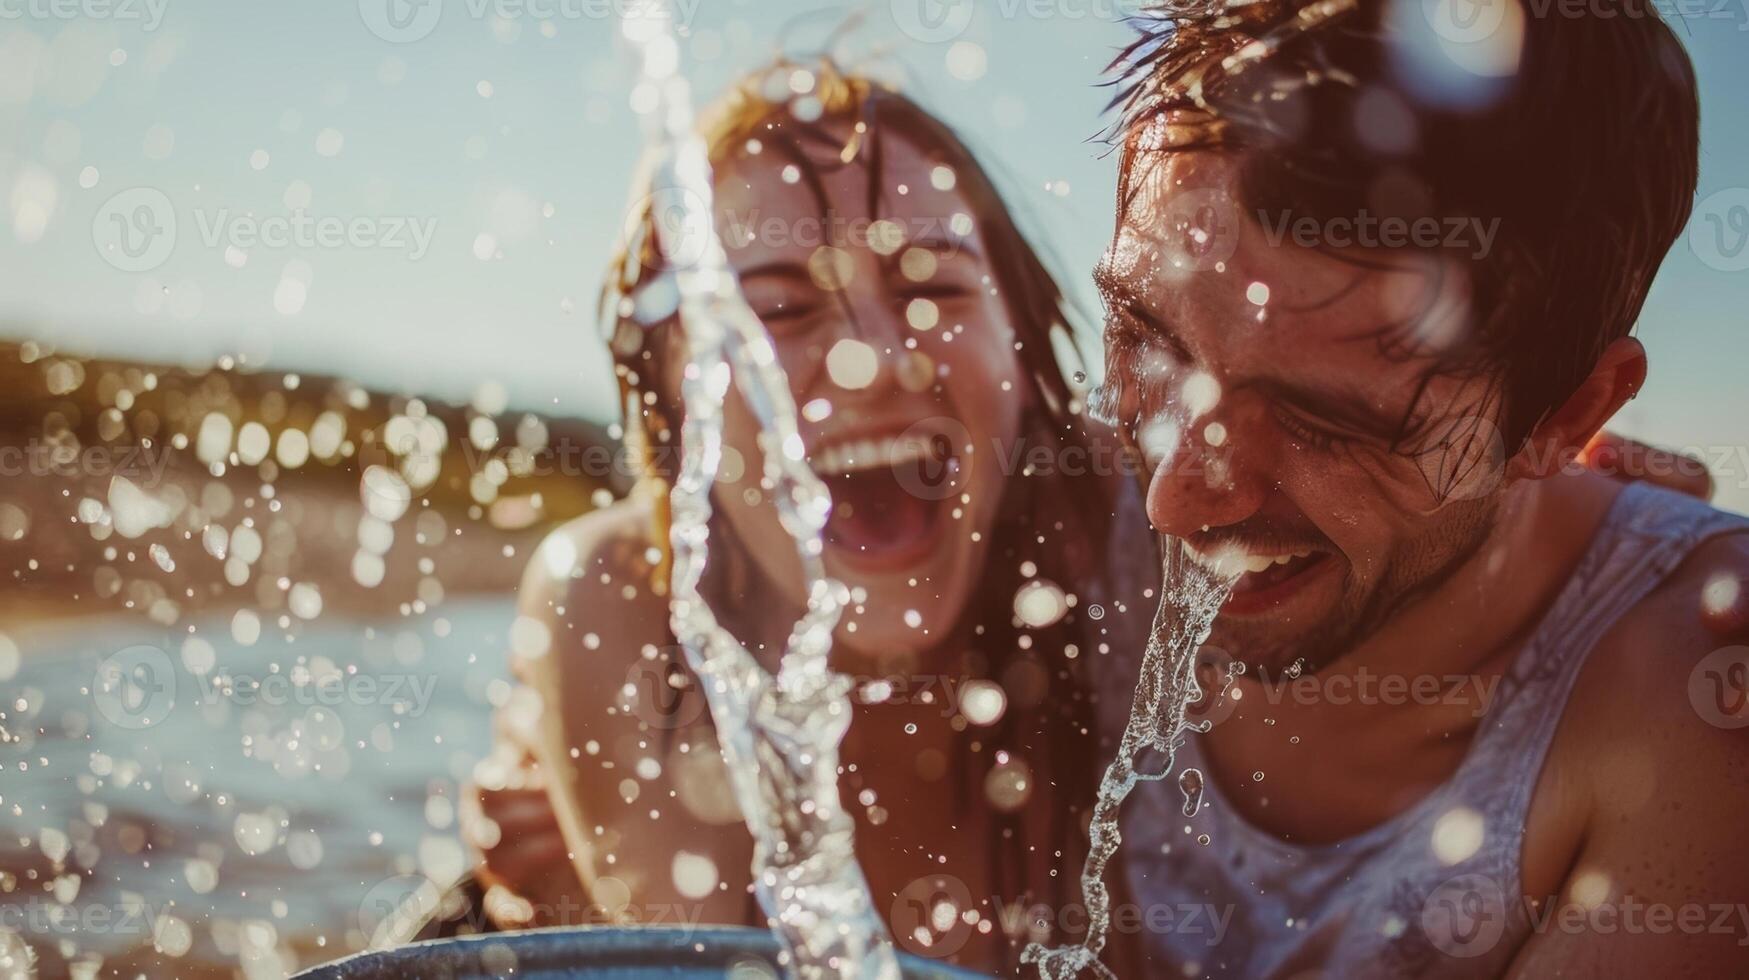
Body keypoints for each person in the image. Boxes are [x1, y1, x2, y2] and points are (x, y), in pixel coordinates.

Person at [458, 58, 1160, 973]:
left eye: (934, 289)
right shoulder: (619, 603)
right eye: (778, 308)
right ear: (675, 399)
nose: (871, 361)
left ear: (1023, 356)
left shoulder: (1137, 537)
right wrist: (560, 907)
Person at [1092, 0, 1749, 976]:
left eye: (1325, 421)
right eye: (1150, 339)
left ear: (1570, 413)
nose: (1175, 501)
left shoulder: (1694, 695)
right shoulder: (1064, 491)